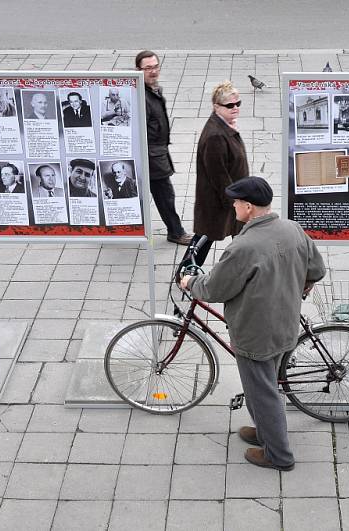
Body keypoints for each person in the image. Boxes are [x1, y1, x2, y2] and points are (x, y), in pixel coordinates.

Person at [180, 176, 326, 472]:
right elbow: (317, 269)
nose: (232, 206)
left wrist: (189, 282)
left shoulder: (243, 247)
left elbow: (214, 289)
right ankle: (264, 433)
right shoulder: (291, 228)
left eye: (235, 202)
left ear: (247, 207)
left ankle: (278, 455)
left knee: (263, 394)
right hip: (285, 324)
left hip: (256, 333)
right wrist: (300, 287)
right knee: (265, 385)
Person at [136, 50, 192, 246]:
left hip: (157, 153)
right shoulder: (141, 96)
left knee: (160, 194)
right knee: (165, 195)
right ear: (138, 70)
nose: (153, 71)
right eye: (148, 68)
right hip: (151, 156)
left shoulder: (152, 90)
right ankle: (176, 232)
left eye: (155, 66)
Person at [192, 80, 249, 265]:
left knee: (239, 239)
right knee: (205, 238)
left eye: (238, 103)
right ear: (217, 107)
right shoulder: (216, 135)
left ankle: (243, 271)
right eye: (230, 105)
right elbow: (218, 175)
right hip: (221, 201)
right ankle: (185, 273)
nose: (235, 108)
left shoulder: (226, 125)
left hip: (231, 197)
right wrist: (234, 203)